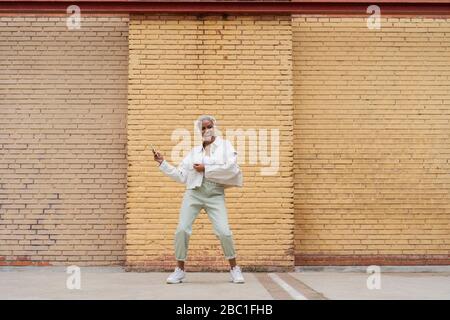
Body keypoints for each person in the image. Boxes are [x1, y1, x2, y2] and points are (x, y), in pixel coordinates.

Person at [153, 115, 245, 284]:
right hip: (194, 193)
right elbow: (181, 176)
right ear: (199, 131)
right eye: (203, 128)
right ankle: (179, 270)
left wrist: (206, 169)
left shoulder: (225, 146)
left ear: (214, 126)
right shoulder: (194, 152)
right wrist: (163, 163)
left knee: (224, 231)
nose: (206, 130)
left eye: (209, 126)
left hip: (215, 193)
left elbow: (231, 169)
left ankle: (234, 268)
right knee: (181, 229)